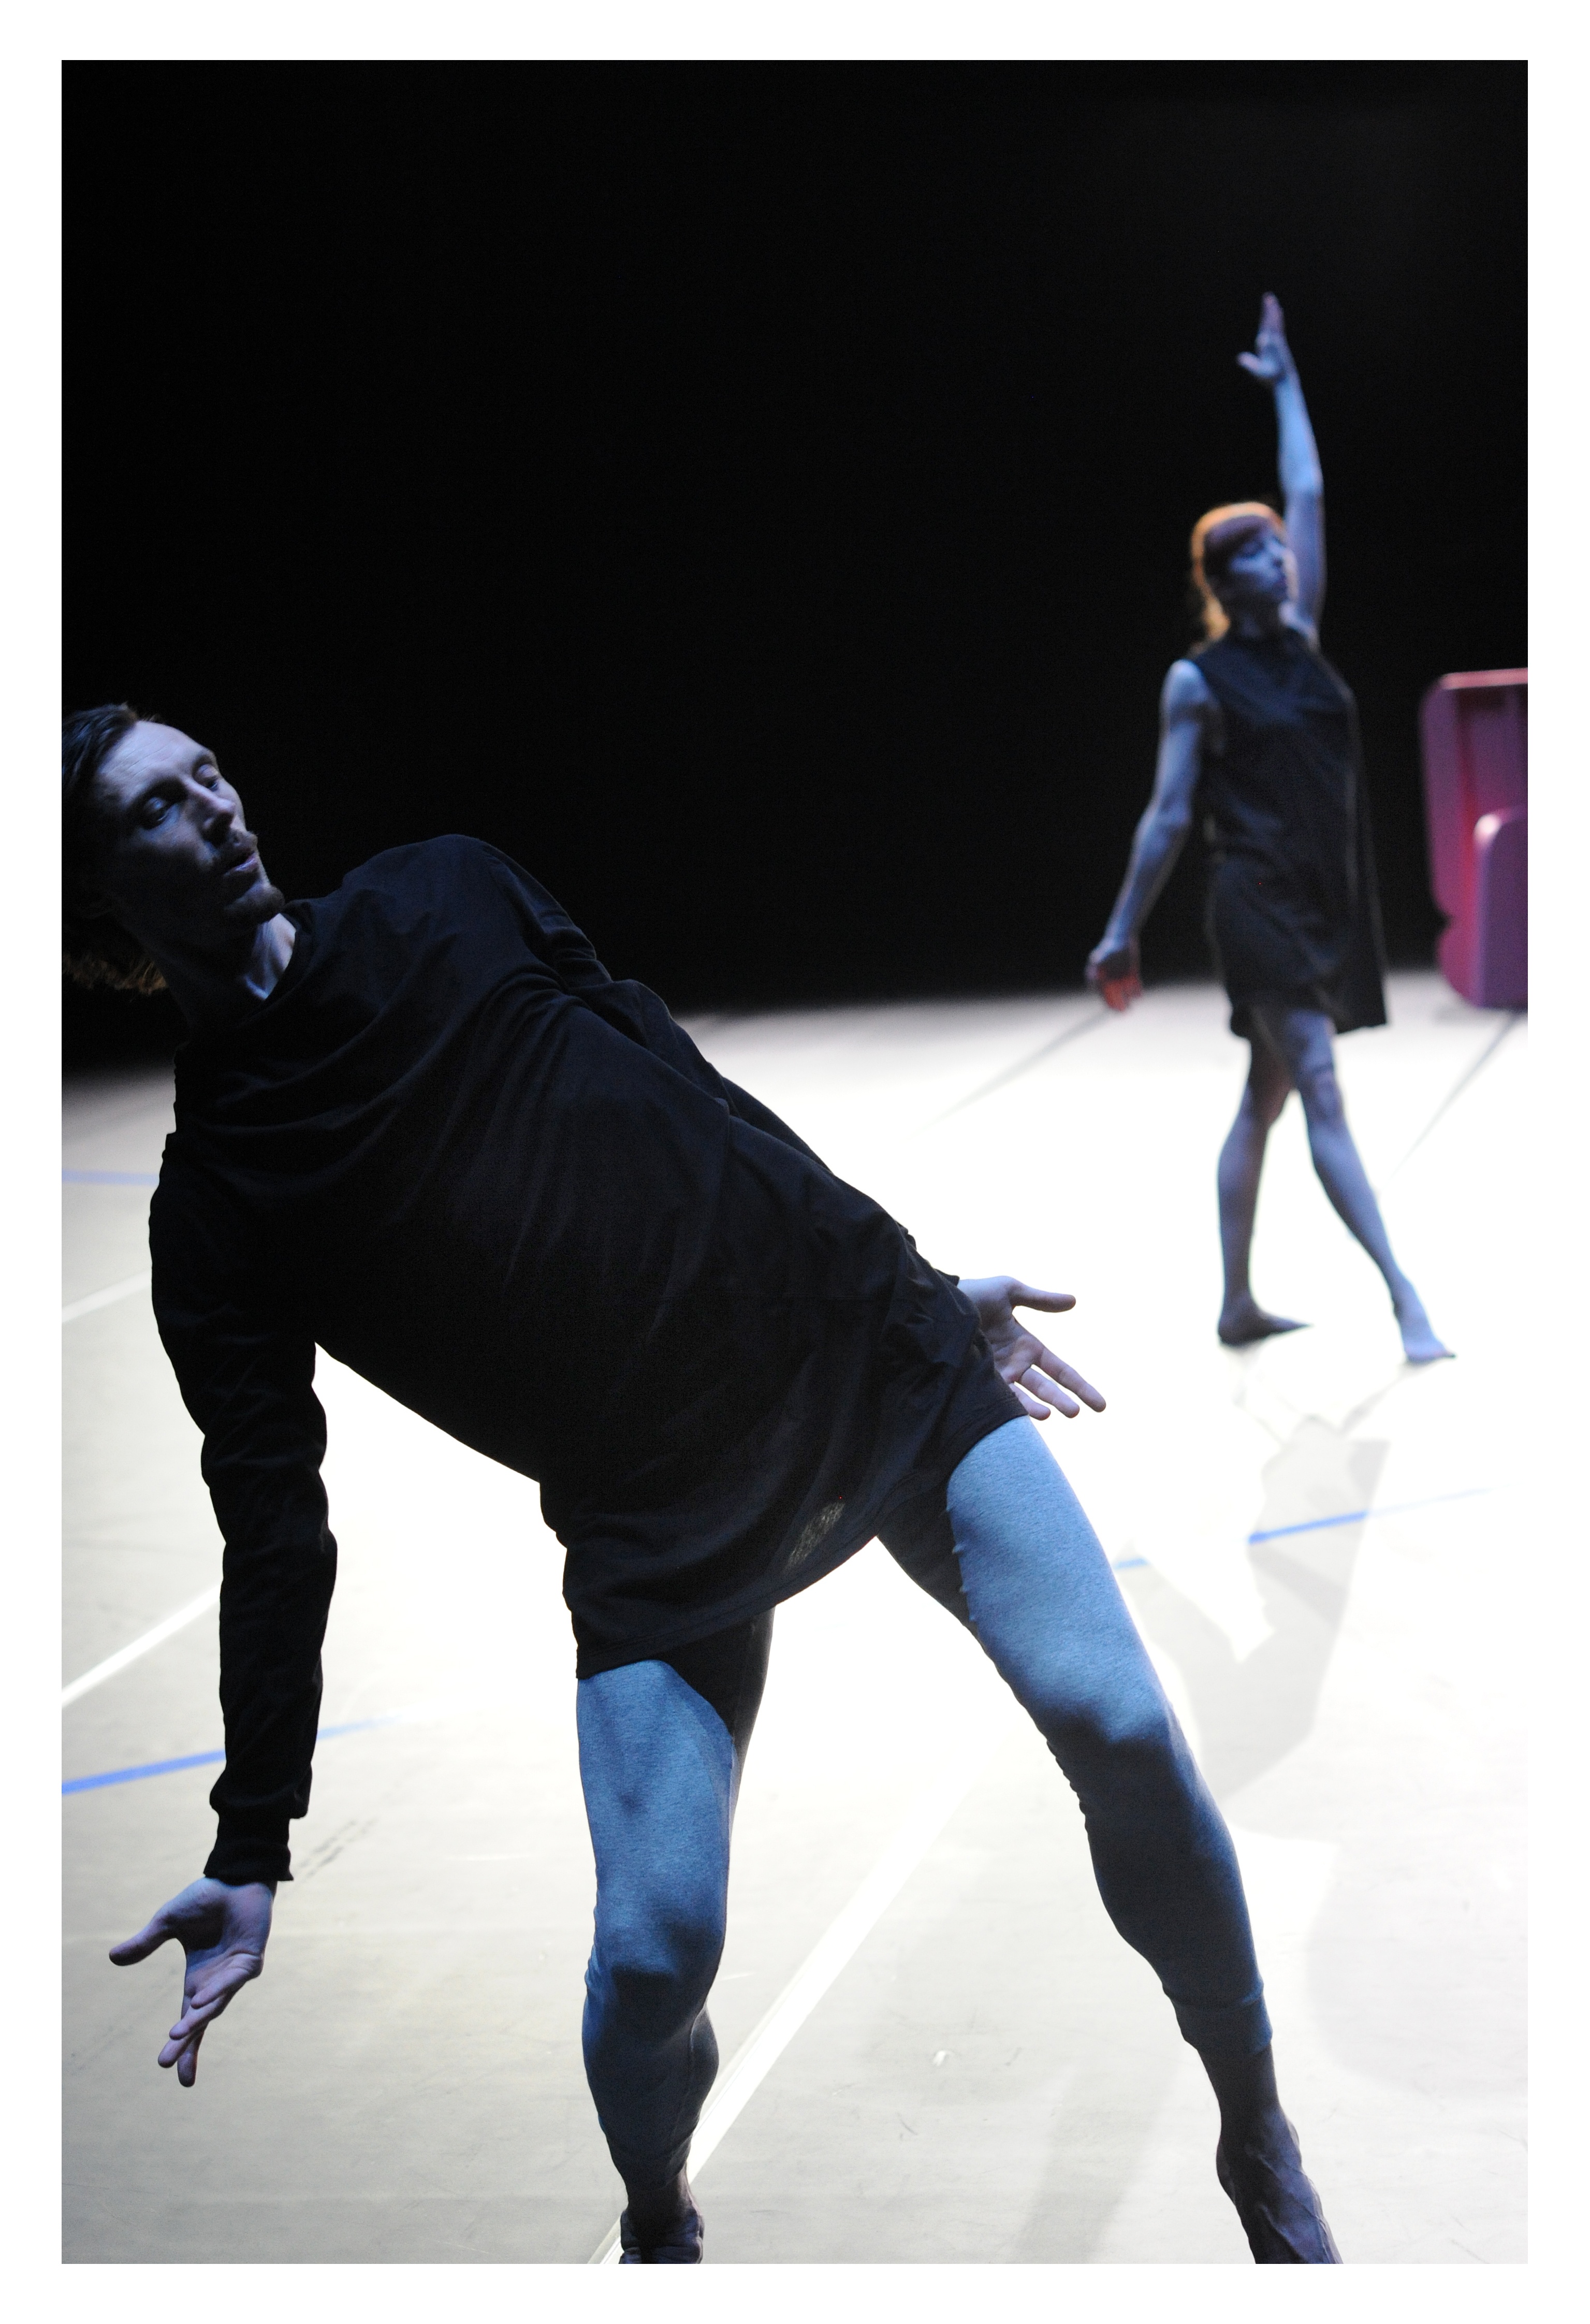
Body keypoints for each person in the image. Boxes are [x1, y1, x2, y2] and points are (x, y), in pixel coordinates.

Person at [65, 704, 1341, 2263]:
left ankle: (1254, 2128)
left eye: (209, 771)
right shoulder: (217, 1203)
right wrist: (251, 1842)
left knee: (1125, 1730)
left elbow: (681, 1081)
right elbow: (272, 1529)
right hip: (653, 1510)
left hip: (859, 1355)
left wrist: (920, 1280)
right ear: (95, 898)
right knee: (651, 1959)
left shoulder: (444, 889)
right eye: (156, 809)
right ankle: (660, 2221)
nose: (213, 807)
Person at [1086, 296, 1449, 1363]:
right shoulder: (1196, 682)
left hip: (1326, 896)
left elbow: (1309, 490)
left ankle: (1236, 1303)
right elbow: (1166, 817)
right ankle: (1406, 1300)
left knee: (1266, 1098)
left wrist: (1288, 385)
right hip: (1256, 901)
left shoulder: (1301, 637)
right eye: (1255, 555)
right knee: (1321, 1087)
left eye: (1280, 549)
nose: (1280, 559)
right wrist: (1121, 931)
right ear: (1219, 580)